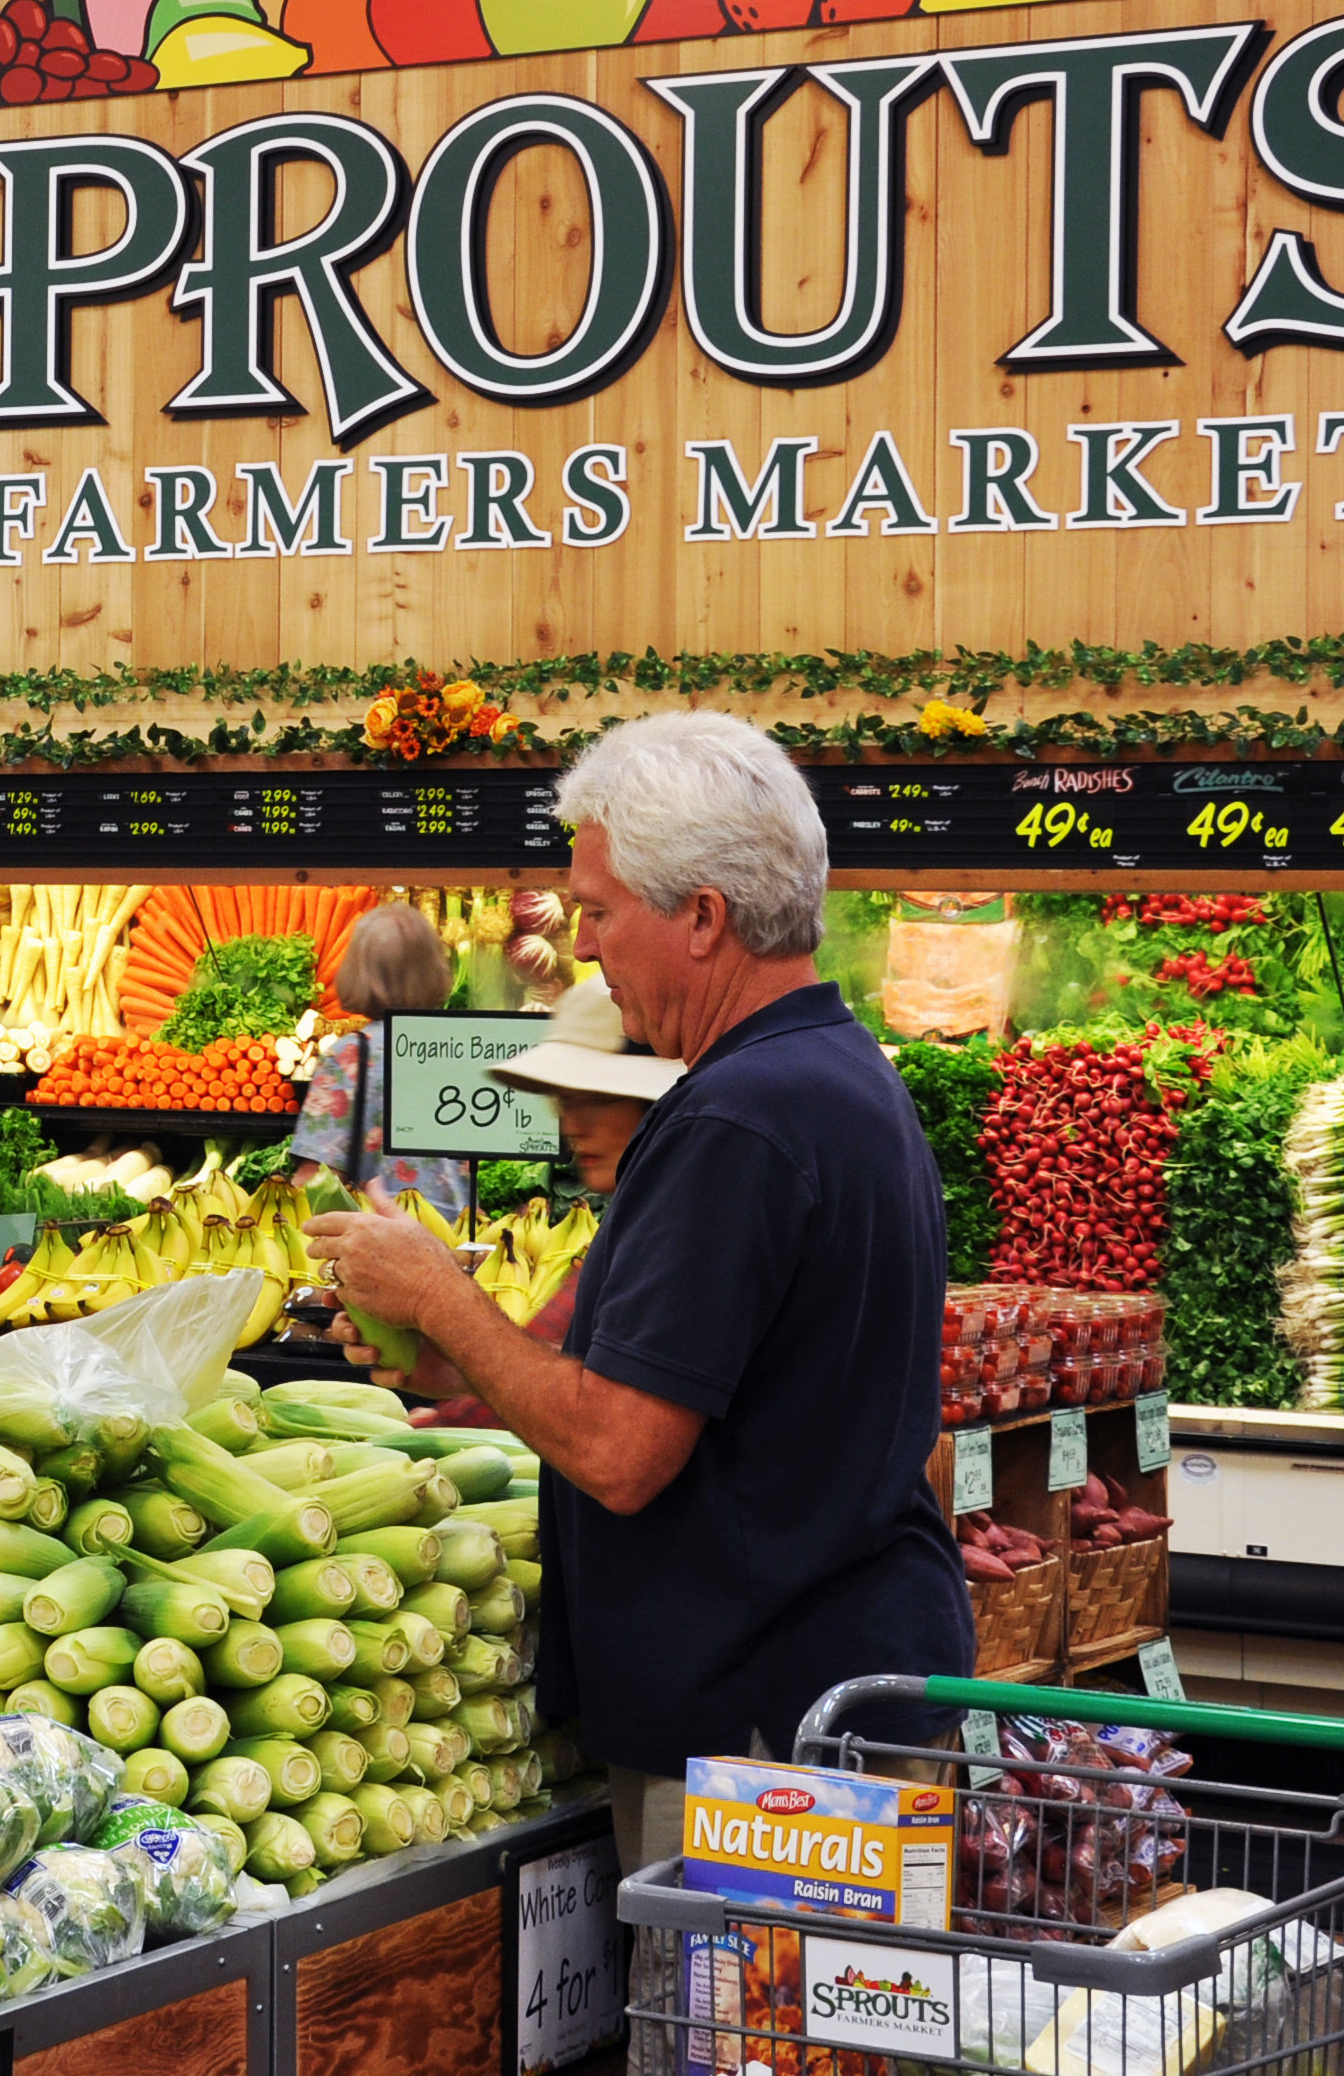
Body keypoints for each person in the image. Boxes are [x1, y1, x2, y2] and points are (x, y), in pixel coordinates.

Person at [313, 710, 968, 1869]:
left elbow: (621, 1451)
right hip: (839, 1704)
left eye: (603, 913)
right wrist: (457, 1359)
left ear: (702, 918)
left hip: (761, 1754)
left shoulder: (735, 1118)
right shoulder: (842, 1073)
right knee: (829, 2042)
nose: (587, 950)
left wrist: (441, 1300)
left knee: (739, 2046)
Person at [413, 976, 678, 1430]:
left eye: (593, 1099)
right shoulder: (633, 1224)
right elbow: (566, 1361)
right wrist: (458, 1388)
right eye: (561, 1101)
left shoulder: (677, 1240)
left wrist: (437, 1299)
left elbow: (605, 1427)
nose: (571, 1124)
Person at [287, 901, 471, 1222]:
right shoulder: (458, 1051)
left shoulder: (349, 1056)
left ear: (358, 972)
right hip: (454, 1233)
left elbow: (317, 1175)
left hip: (377, 1237)